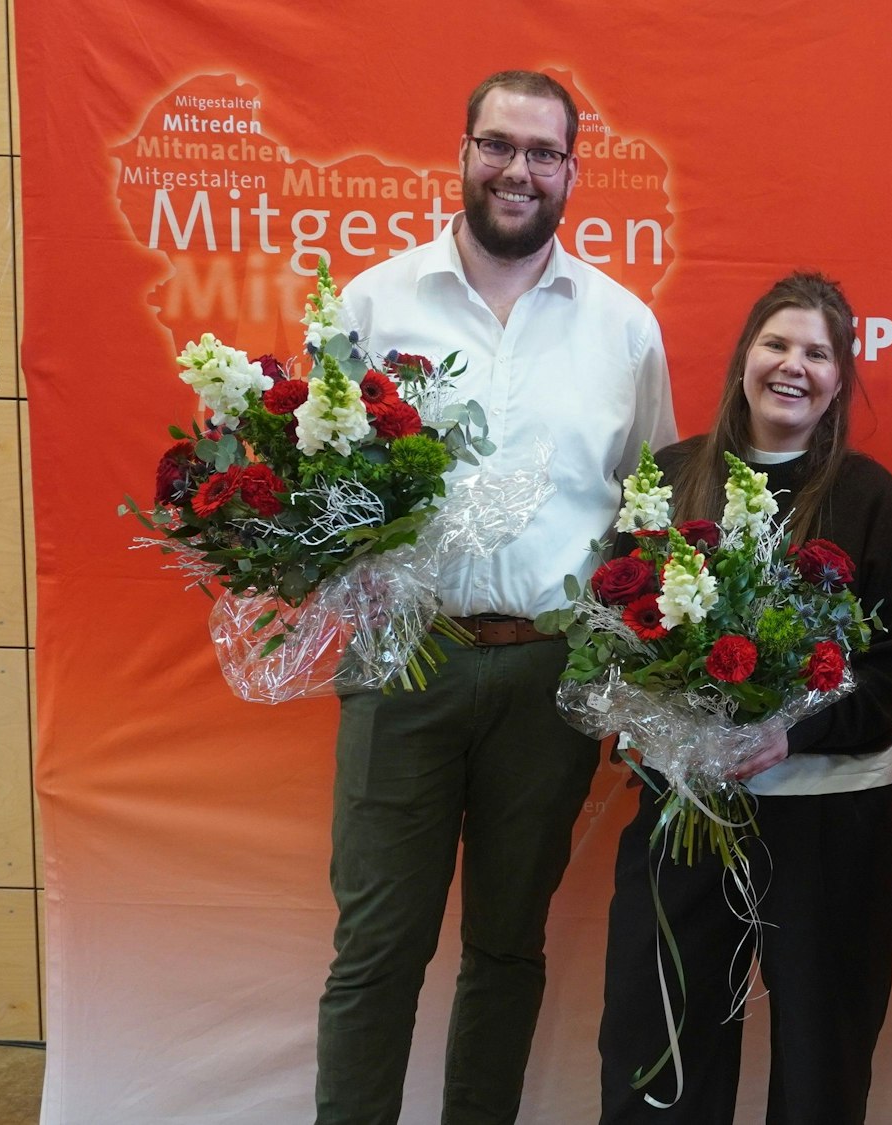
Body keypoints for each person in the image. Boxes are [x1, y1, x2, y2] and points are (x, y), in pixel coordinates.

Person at [314, 69, 675, 1125]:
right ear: (463, 151)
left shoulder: (624, 328)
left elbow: (646, 515)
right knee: (376, 946)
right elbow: (317, 485)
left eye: (542, 152)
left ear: (572, 170)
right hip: (401, 662)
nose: (517, 169)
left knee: (508, 944)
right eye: (497, 145)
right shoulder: (373, 304)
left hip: (548, 673)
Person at [596, 271, 892, 1123]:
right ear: (745, 355)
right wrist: (640, 718)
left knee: (824, 1057)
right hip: (688, 814)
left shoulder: (868, 497)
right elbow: (607, 629)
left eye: (818, 353)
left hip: (830, 823)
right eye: (777, 343)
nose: (794, 366)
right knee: (657, 1043)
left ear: (840, 377)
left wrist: (797, 733)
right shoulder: (670, 478)